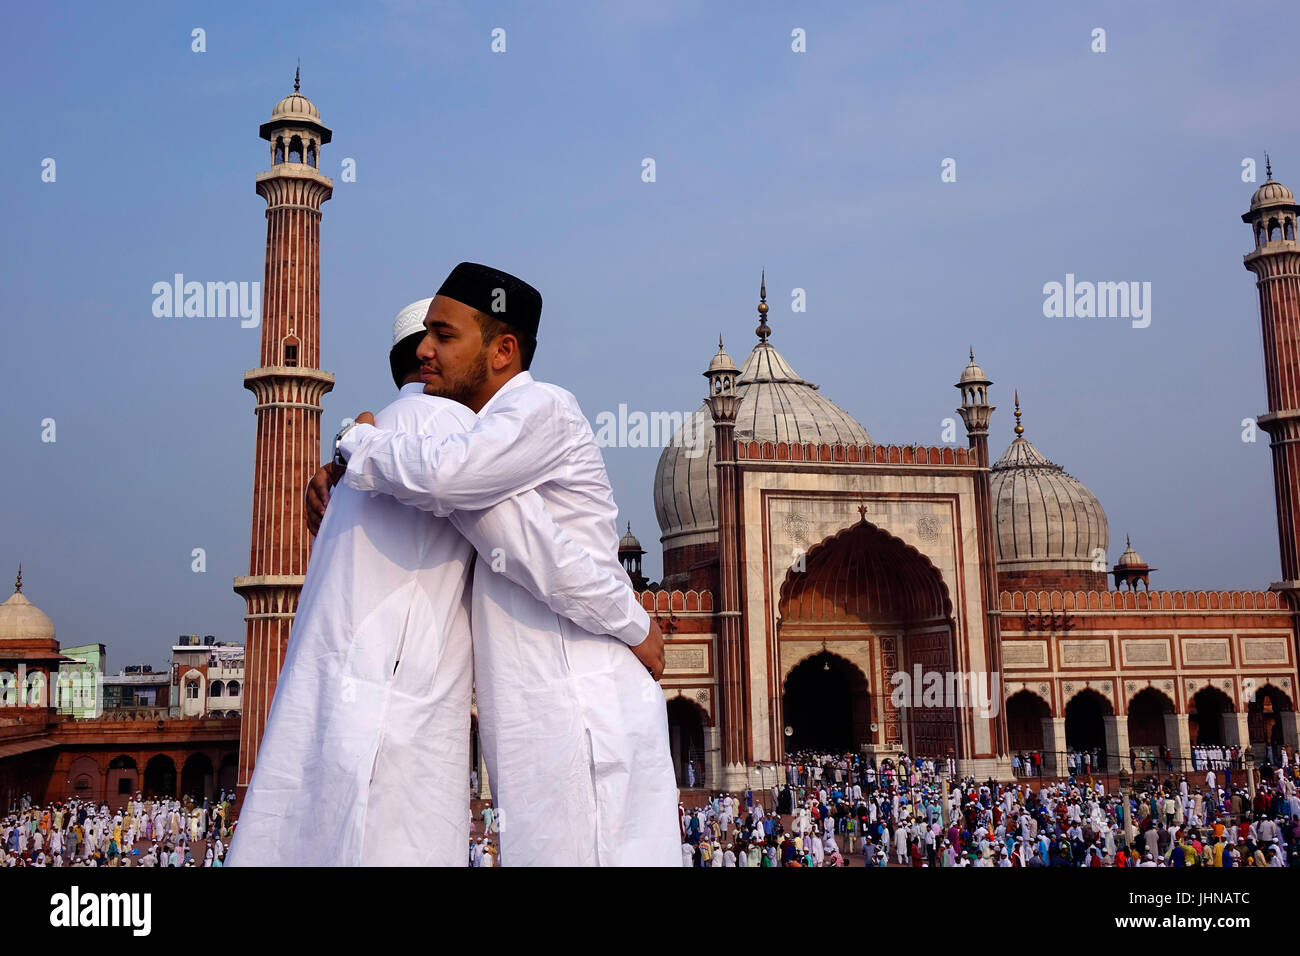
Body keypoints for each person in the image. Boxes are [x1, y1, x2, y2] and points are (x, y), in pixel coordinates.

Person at [231, 294, 657, 866]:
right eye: (429, 338)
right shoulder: (439, 435)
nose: (432, 350)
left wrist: (352, 442)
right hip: (414, 723)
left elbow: (522, 538)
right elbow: (519, 537)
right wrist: (637, 624)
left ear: (500, 350)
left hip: (550, 711)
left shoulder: (447, 435)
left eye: (446, 336)